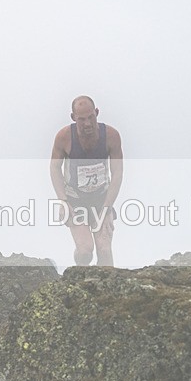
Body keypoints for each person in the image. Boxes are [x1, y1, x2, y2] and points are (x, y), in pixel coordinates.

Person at [50, 96, 123, 266]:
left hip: (101, 200)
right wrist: (63, 200)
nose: (88, 123)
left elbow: (117, 173)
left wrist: (107, 208)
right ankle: (80, 278)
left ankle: (108, 289)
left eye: (91, 117)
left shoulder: (111, 136)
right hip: (75, 201)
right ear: (73, 118)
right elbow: (54, 168)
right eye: (82, 119)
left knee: (104, 251)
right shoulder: (64, 137)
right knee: (85, 251)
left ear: (97, 113)